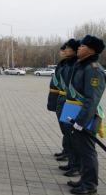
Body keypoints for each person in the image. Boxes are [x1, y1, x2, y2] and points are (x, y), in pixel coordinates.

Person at [66, 35, 106, 194]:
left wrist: (81, 121)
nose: (79, 48)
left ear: (91, 50)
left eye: (82, 46)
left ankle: (90, 185)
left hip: (87, 117)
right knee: (82, 150)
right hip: (79, 114)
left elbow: (91, 99)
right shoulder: (83, 66)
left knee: (88, 152)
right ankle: (85, 179)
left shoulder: (94, 70)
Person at [56, 39, 80, 177]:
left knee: (74, 137)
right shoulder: (66, 64)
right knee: (67, 132)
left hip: (73, 103)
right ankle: (72, 161)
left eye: (67, 49)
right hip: (65, 101)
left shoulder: (78, 65)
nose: (64, 51)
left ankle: (77, 165)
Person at [47, 43, 68, 161]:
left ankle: (71, 154)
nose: (62, 53)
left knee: (68, 130)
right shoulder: (62, 64)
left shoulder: (71, 65)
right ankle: (66, 150)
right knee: (64, 128)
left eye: (65, 50)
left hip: (67, 101)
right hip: (60, 99)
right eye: (62, 51)